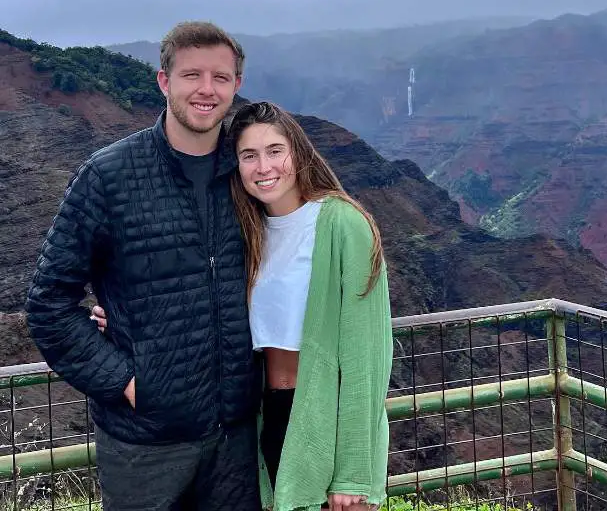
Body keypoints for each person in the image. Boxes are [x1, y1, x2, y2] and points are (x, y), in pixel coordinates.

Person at [93, 101, 393, 511]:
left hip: (324, 421)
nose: (263, 167)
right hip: (263, 417)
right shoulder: (246, 232)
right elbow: (201, 303)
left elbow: (367, 358)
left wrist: (354, 473)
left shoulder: (342, 225)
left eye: (274, 151)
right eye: (249, 156)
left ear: (298, 153)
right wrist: (127, 317)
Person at [26, 21, 261, 511]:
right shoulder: (109, 176)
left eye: (220, 77)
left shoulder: (251, 173)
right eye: (191, 75)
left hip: (236, 439)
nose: (206, 89)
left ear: (236, 85)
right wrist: (128, 383)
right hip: (145, 446)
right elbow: (49, 304)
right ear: (163, 81)